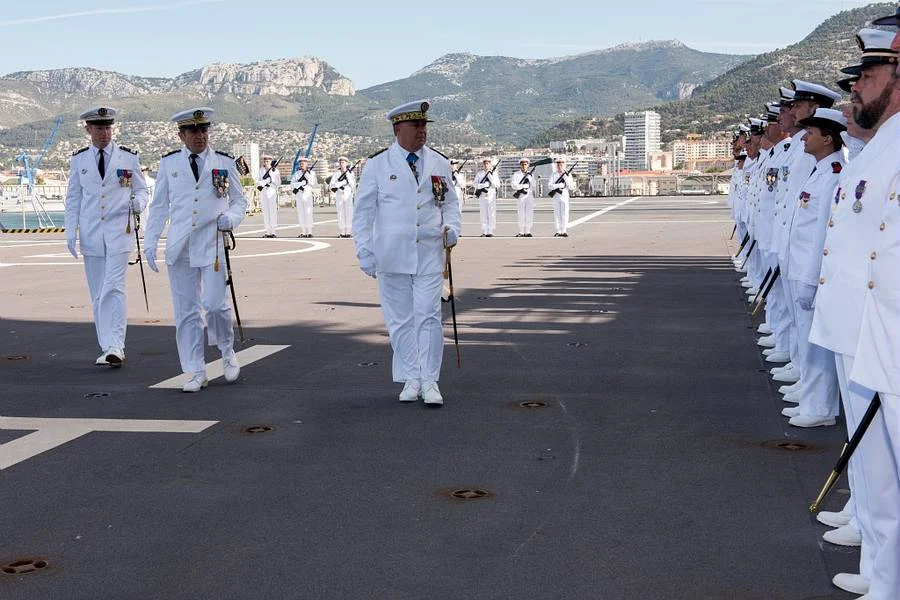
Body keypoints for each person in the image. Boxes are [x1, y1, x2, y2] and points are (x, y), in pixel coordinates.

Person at [808, 28, 900, 598]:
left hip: (886, 332)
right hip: (869, 332)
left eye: (867, 74)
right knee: (877, 470)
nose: (856, 87)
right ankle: (885, 576)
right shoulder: (880, 145)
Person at [352, 99, 461, 406]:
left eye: (424, 125)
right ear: (398, 129)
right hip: (391, 254)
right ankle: (410, 377)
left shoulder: (439, 162)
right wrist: (365, 252)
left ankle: (430, 380)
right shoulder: (377, 165)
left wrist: (452, 228)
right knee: (399, 319)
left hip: (429, 252)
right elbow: (362, 214)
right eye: (416, 126)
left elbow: (450, 203)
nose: (422, 131)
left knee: (428, 316)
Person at [143, 107, 248, 393]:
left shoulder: (224, 162)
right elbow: (159, 207)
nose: (200, 136)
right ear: (182, 135)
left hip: (212, 243)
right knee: (186, 312)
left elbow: (240, 201)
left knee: (215, 305)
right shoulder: (169, 164)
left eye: (204, 130)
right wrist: (150, 240)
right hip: (180, 246)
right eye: (193, 131)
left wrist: (232, 219)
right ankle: (195, 370)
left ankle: (227, 351)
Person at [64, 106, 148, 367]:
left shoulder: (128, 158)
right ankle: (106, 345)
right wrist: (70, 231)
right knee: (98, 293)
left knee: (114, 287)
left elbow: (143, 191)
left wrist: (137, 204)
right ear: (88, 130)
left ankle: (116, 345)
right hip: (91, 235)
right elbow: (73, 198)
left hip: (119, 233)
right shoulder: (79, 160)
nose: (104, 133)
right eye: (99, 128)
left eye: (108, 128)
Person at [780, 108, 847, 429]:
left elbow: (824, 230)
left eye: (811, 133)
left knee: (816, 344)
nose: (805, 137)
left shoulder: (834, 174)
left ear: (828, 138)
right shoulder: (819, 170)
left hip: (810, 272)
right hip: (799, 267)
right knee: (806, 339)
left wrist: (810, 279)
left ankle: (820, 407)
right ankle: (810, 395)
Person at [548, 157, 576, 237]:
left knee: (564, 213)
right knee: (557, 213)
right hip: (556, 196)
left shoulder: (568, 174)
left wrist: (566, 178)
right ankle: (558, 230)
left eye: (561, 164)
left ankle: (563, 230)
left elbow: (571, 187)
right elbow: (550, 186)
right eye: (558, 164)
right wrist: (558, 185)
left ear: (564, 165)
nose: (560, 166)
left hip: (564, 195)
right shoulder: (553, 174)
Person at [291, 157, 318, 238]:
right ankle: (303, 232)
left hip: (307, 195)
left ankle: (309, 231)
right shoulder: (297, 173)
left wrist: (307, 175)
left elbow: (313, 184)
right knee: (301, 213)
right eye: (300, 163)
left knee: (308, 213)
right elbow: (292, 184)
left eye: (303, 163)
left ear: (307, 164)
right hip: (299, 195)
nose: (301, 164)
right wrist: (300, 183)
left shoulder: (311, 173)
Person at [473, 158, 500, 237]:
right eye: (484, 164)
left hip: (491, 195)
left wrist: (490, 177)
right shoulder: (480, 174)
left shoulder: (494, 174)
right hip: (482, 196)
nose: (486, 165)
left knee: (491, 213)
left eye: (487, 164)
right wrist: (483, 185)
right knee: (483, 213)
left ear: (490, 165)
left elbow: (497, 185)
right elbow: (475, 184)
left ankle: (490, 231)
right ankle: (485, 231)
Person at [330, 156, 356, 238]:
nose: (342, 164)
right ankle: (342, 232)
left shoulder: (350, 173)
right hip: (339, 194)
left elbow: (353, 185)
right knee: (340, 212)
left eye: (343, 162)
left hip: (347, 193)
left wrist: (347, 175)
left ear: (346, 163)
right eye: (340, 162)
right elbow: (331, 185)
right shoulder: (336, 174)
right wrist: (341, 183)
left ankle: (348, 232)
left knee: (349, 213)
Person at [510, 157, 536, 237]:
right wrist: (522, 186)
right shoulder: (516, 174)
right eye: (522, 164)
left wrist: (529, 183)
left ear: (528, 165)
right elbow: (513, 185)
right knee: (521, 213)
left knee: (529, 213)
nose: (524, 166)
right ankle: (521, 231)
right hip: (521, 196)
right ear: (520, 165)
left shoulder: (531, 174)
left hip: (529, 196)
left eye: (525, 164)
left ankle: (528, 231)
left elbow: (534, 186)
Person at [257, 155, 280, 238]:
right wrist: (264, 182)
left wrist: (271, 178)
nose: (265, 162)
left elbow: (278, 183)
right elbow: (257, 181)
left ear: (271, 161)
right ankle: (268, 231)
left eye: (267, 161)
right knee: (265, 212)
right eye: (264, 161)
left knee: (272, 211)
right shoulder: (261, 170)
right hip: (263, 191)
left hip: (271, 191)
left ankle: (273, 231)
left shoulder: (275, 171)